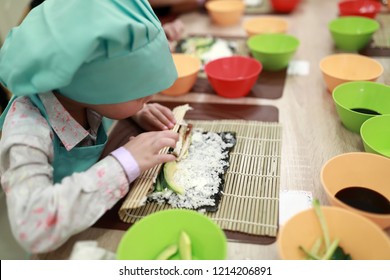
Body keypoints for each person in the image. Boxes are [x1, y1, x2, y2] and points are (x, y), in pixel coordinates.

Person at [0, 0, 180, 254]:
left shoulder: (77, 93)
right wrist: (125, 162)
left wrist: (137, 108)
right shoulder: (26, 133)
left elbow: (111, 92)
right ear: (91, 87)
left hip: (102, 216)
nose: (152, 93)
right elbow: (33, 227)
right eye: (139, 92)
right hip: (64, 245)